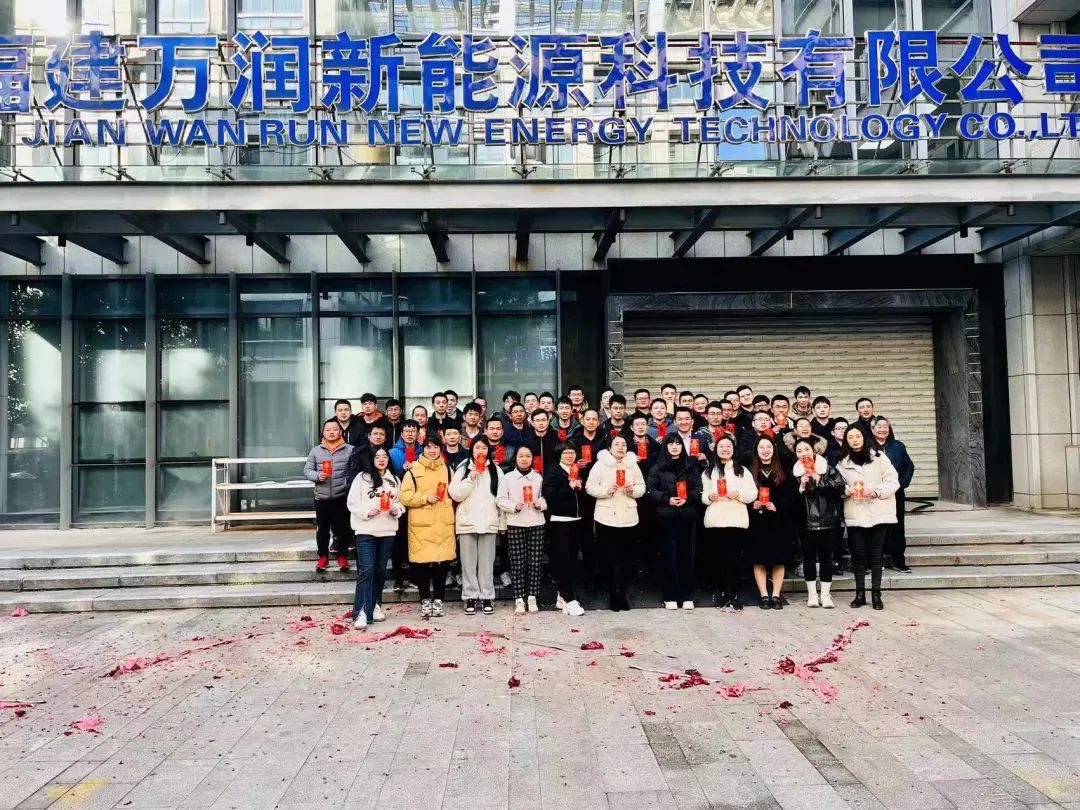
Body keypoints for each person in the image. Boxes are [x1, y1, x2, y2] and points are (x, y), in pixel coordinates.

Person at [837, 425, 899, 611]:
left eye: (857, 436)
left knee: (876, 556)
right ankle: (860, 594)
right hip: (856, 512)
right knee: (858, 556)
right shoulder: (842, 462)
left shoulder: (879, 457)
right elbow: (837, 486)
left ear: (864, 437)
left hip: (878, 512)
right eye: (850, 437)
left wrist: (877, 491)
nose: (854, 440)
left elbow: (893, 481)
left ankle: (876, 594)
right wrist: (847, 490)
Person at [398, 436, 457, 619]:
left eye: (435, 447)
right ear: (422, 449)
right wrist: (424, 498)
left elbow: (454, 493)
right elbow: (404, 496)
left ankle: (438, 600)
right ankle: (424, 600)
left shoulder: (447, 469)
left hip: (443, 522)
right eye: (428, 447)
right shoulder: (413, 469)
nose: (432, 451)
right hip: (421, 525)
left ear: (440, 449)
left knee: (442, 563)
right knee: (420, 564)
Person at [585, 435, 646, 611]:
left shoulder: (632, 464)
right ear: (609, 448)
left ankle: (623, 594)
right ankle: (613, 595)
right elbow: (589, 487)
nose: (620, 447)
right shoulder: (600, 464)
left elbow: (642, 486)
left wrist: (633, 490)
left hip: (628, 517)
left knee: (626, 559)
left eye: (624, 444)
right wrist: (606, 491)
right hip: (606, 517)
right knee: (609, 559)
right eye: (616, 444)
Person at [347, 447, 403, 629]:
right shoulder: (362, 478)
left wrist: (397, 510)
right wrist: (366, 512)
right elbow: (352, 503)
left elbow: (400, 502)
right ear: (371, 459)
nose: (381, 459)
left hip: (387, 530)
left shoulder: (394, 480)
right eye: (377, 456)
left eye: (384, 456)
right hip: (366, 530)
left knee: (380, 571)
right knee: (366, 571)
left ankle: (375, 604)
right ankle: (361, 612)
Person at [448, 437, 503, 616]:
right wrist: (470, 479)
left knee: (487, 563)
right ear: (471, 449)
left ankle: (487, 597)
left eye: (484, 448)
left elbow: (502, 496)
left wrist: (501, 521)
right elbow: (455, 494)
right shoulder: (463, 468)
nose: (480, 451)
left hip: (489, 522)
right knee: (468, 563)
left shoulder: (495, 470)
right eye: (477, 447)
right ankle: (470, 596)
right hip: (467, 522)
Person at [701, 435, 757, 610]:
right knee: (718, 559)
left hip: (736, 520)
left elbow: (753, 493)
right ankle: (723, 593)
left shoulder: (742, 471)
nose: (725, 449)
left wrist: (738, 493)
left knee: (735, 559)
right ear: (716, 450)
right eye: (721, 446)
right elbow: (703, 494)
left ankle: (735, 594)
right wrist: (709, 496)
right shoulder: (709, 471)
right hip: (716, 520)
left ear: (733, 449)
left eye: (728, 446)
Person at [648, 434, 703, 611]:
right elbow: (651, 490)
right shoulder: (657, 467)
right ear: (665, 446)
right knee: (668, 556)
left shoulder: (690, 466)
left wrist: (688, 498)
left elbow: (698, 488)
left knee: (687, 556)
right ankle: (670, 595)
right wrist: (667, 499)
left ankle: (687, 595)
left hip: (687, 516)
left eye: (678, 444)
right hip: (666, 517)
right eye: (671, 444)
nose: (674, 447)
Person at [792, 438, 845, 609]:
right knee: (808, 558)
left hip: (828, 520)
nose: (803, 454)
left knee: (826, 558)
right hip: (805, 523)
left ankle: (825, 594)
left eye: (806, 449)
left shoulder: (827, 468)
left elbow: (840, 488)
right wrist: (801, 486)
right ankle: (812, 595)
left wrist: (819, 480)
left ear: (813, 450)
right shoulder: (794, 472)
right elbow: (790, 499)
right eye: (799, 451)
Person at [497, 446, 548, 615]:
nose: (524, 459)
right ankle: (519, 598)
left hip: (536, 523)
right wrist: (513, 506)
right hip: (515, 523)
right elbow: (500, 500)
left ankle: (532, 596)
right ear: (516, 458)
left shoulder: (538, 477)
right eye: (521, 456)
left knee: (535, 562)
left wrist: (541, 504)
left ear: (532, 459)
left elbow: (545, 497)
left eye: (528, 456)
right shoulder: (508, 478)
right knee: (517, 563)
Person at [748, 436, 796, 610]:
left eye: (768, 447)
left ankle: (776, 595)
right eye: (761, 447)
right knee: (759, 559)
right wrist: (752, 504)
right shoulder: (750, 470)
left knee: (779, 559)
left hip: (779, 520)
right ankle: (764, 595)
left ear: (774, 449)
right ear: (756, 450)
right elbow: (745, 492)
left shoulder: (783, 468)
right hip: (758, 521)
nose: (765, 450)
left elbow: (792, 494)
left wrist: (777, 505)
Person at [304, 419, 355, 572]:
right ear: (323, 432)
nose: (332, 432)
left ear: (341, 432)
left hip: (342, 497)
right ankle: (323, 557)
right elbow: (307, 470)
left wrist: (346, 484)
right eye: (328, 429)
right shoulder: (316, 451)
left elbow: (354, 470)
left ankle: (342, 556)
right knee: (322, 530)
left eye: (335, 429)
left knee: (343, 529)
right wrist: (317, 476)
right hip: (322, 497)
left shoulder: (350, 450)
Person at [544, 442, 586, 617]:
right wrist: (568, 487)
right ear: (559, 455)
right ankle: (569, 599)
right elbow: (549, 494)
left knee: (573, 560)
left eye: (572, 452)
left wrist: (580, 488)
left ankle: (562, 596)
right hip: (559, 521)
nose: (569, 455)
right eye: (566, 453)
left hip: (576, 520)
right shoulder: (553, 471)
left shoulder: (577, 470)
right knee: (563, 561)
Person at [871, 416, 915, 573]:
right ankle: (877, 561)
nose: (882, 429)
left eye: (885, 427)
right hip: (876, 495)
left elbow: (909, 467)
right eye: (879, 426)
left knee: (897, 527)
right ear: (872, 429)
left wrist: (901, 484)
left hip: (896, 494)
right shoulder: (868, 447)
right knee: (877, 527)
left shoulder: (898, 446)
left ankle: (898, 560)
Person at [525, 409, 559, 474]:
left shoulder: (556, 439)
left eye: (543, 420)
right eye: (537, 420)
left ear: (548, 422)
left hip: (553, 476)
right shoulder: (527, 442)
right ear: (532, 423)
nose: (541, 423)